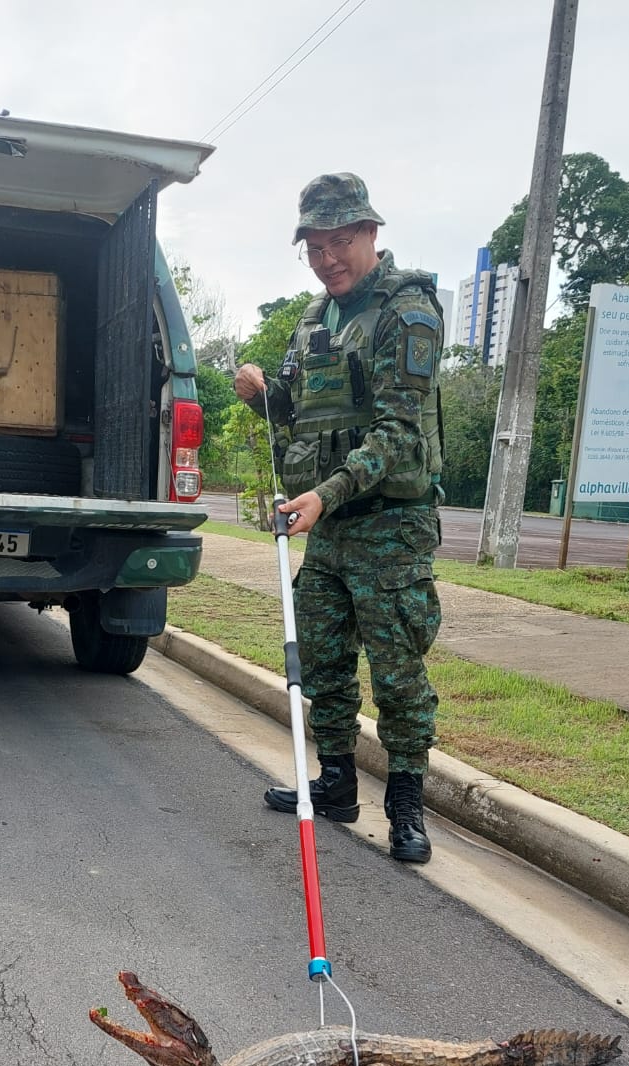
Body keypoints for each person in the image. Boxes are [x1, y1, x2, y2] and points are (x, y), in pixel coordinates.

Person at [234, 173, 446, 863]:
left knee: (397, 671)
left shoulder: (405, 312)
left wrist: (327, 493)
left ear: (371, 235)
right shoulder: (312, 319)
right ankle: (334, 783)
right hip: (328, 525)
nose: (328, 257)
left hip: (389, 524)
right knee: (322, 660)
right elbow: (296, 417)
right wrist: (260, 395)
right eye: (316, 245)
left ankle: (407, 803)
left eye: (341, 241)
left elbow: (397, 433)